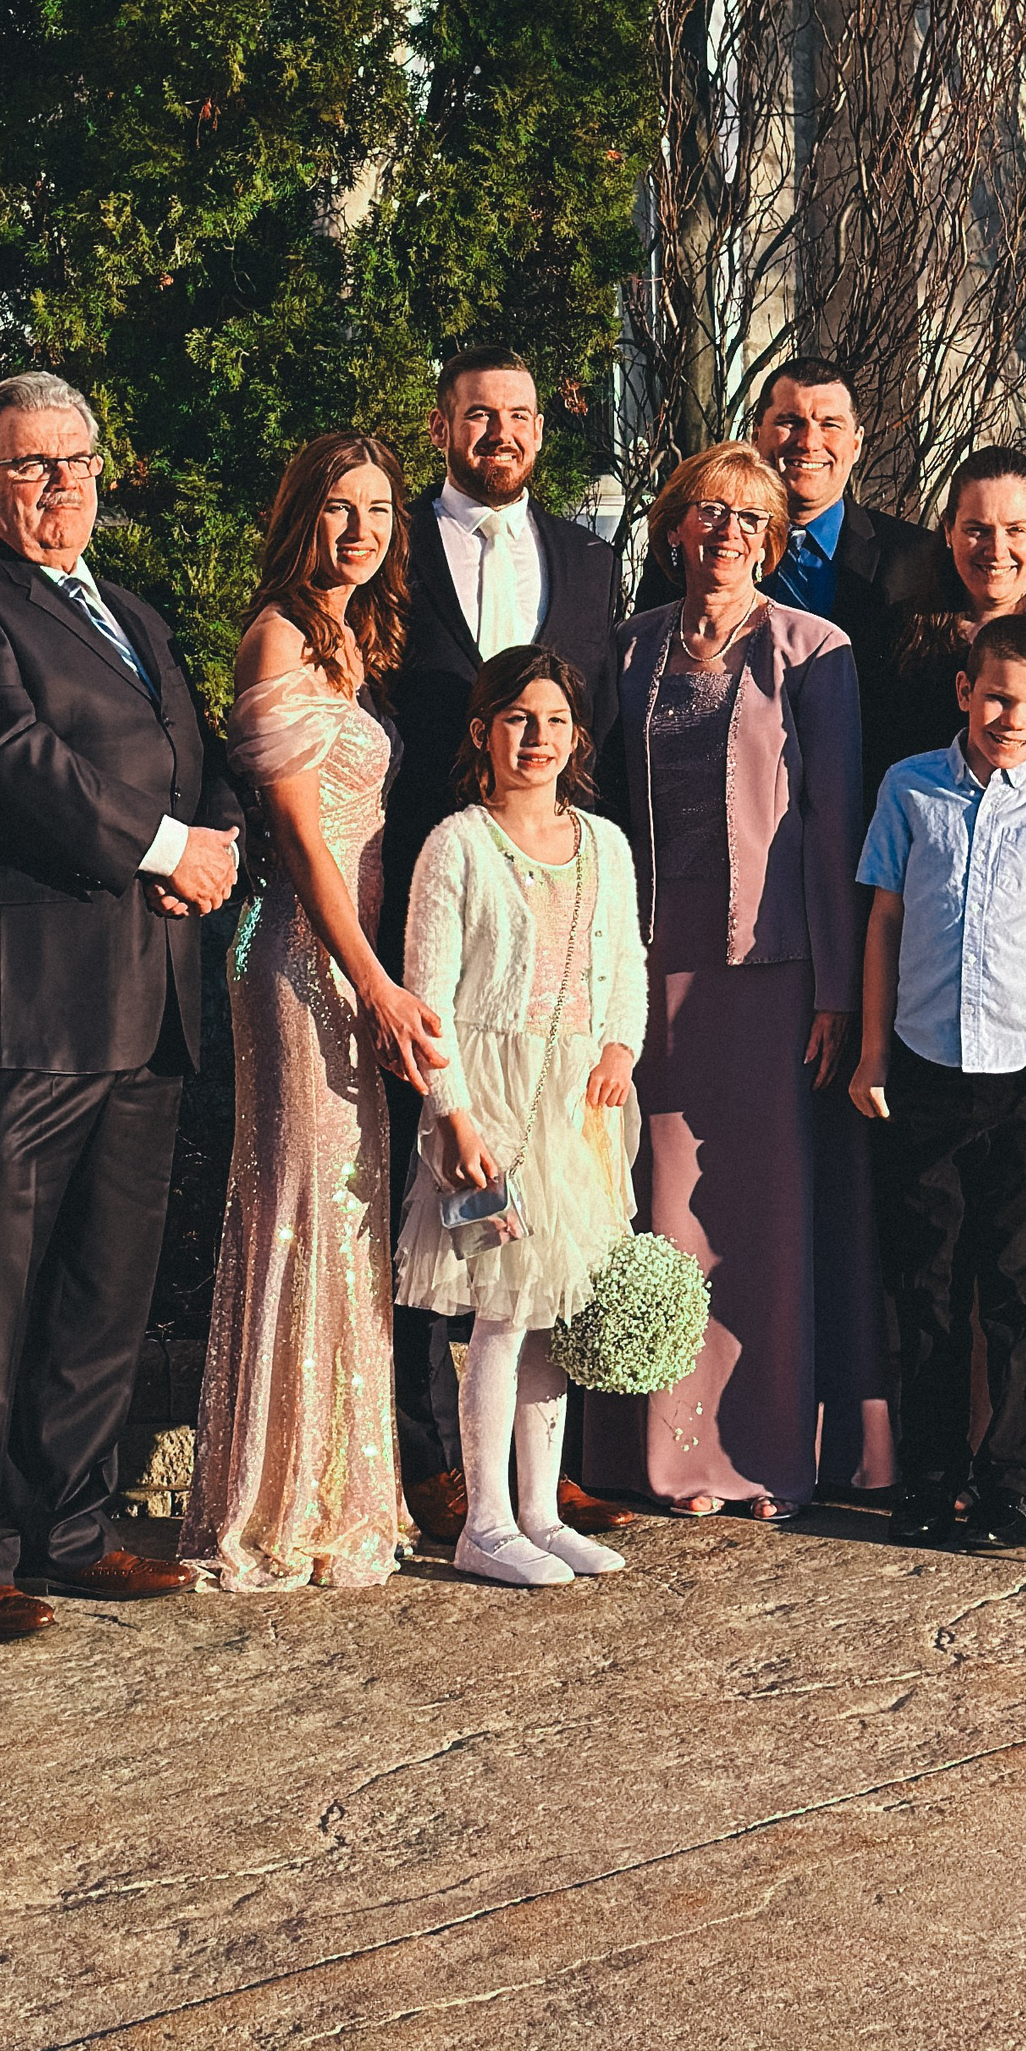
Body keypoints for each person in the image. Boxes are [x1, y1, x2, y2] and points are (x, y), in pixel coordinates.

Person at [0, 374, 241, 1641]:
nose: (60, 484)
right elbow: (12, 759)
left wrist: (222, 842)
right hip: (15, 1005)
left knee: (102, 1288)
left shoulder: (130, 610)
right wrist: (168, 845)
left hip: (144, 1004)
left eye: (77, 460)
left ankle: (72, 1527)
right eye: (31, 466)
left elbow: (194, 761)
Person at [585, 441, 883, 1517]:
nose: (725, 532)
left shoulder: (817, 649)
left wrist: (841, 991)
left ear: (771, 539)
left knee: (762, 1216)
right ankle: (662, 1455)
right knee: (662, 1214)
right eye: (706, 512)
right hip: (650, 969)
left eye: (749, 518)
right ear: (672, 530)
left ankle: (764, 1457)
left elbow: (836, 822)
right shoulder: (626, 648)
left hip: (776, 973)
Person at [179, 435, 436, 1593]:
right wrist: (372, 980)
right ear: (300, 518)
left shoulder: (352, 640)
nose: (361, 529)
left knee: (348, 1209)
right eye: (338, 508)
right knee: (298, 1205)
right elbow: (299, 841)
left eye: (378, 508)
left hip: (353, 957)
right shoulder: (279, 635)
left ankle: (342, 1486)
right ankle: (273, 1497)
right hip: (297, 959)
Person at [378, 345, 627, 1536]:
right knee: (441, 1193)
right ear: (443, 425)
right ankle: (435, 1460)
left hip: (549, 906)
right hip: (436, 897)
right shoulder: (395, 547)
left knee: (542, 1238)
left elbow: (600, 724)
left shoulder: (587, 557)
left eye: (522, 413)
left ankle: (537, 1483)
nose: (503, 430)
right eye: (480, 413)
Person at [851, 608, 1026, 1551]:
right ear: (964, 689)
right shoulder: (908, 788)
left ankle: (1011, 1478)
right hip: (922, 1065)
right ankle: (926, 1474)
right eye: (998, 696)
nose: (1013, 718)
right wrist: (873, 1049)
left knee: (1018, 1285)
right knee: (924, 1283)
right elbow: (882, 920)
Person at [394, 646, 647, 1586]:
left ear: (577, 736)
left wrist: (622, 1046)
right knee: (501, 1311)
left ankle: (542, 1508)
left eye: (552, 721)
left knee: (555, 1313)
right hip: (493, 1105)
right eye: (516, 719)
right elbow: (431, 993)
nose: (535, 738)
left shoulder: (605, 845)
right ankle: (484, 1519)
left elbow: (628, 967)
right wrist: (453, 1114)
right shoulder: (456, 844)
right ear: (481, 733)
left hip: (577, 1107)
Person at [637, 356, 938, 740]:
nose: (809, 441)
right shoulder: (703, 551)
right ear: (756, 433)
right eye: (789, 422)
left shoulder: (914, 558)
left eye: (830, 424)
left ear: (857, 442)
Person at [877, 445, 1026, 795]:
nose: (996, 550)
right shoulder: (898, 635)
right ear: (948, 530)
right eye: (977, 530)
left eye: (1015, 529)